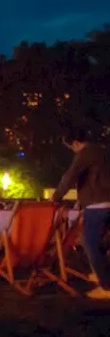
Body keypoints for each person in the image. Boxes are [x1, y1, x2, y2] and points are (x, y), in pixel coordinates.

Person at [52, 127, 110, 299]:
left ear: (76, 143)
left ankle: (106, 286)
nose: (73, 151)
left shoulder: (85, 154)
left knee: (89, 242)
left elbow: (70, 176)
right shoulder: (103, 152)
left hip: (98, 204)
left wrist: (56, 196)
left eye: (71, 148)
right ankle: (103, 274)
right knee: (102, 242)